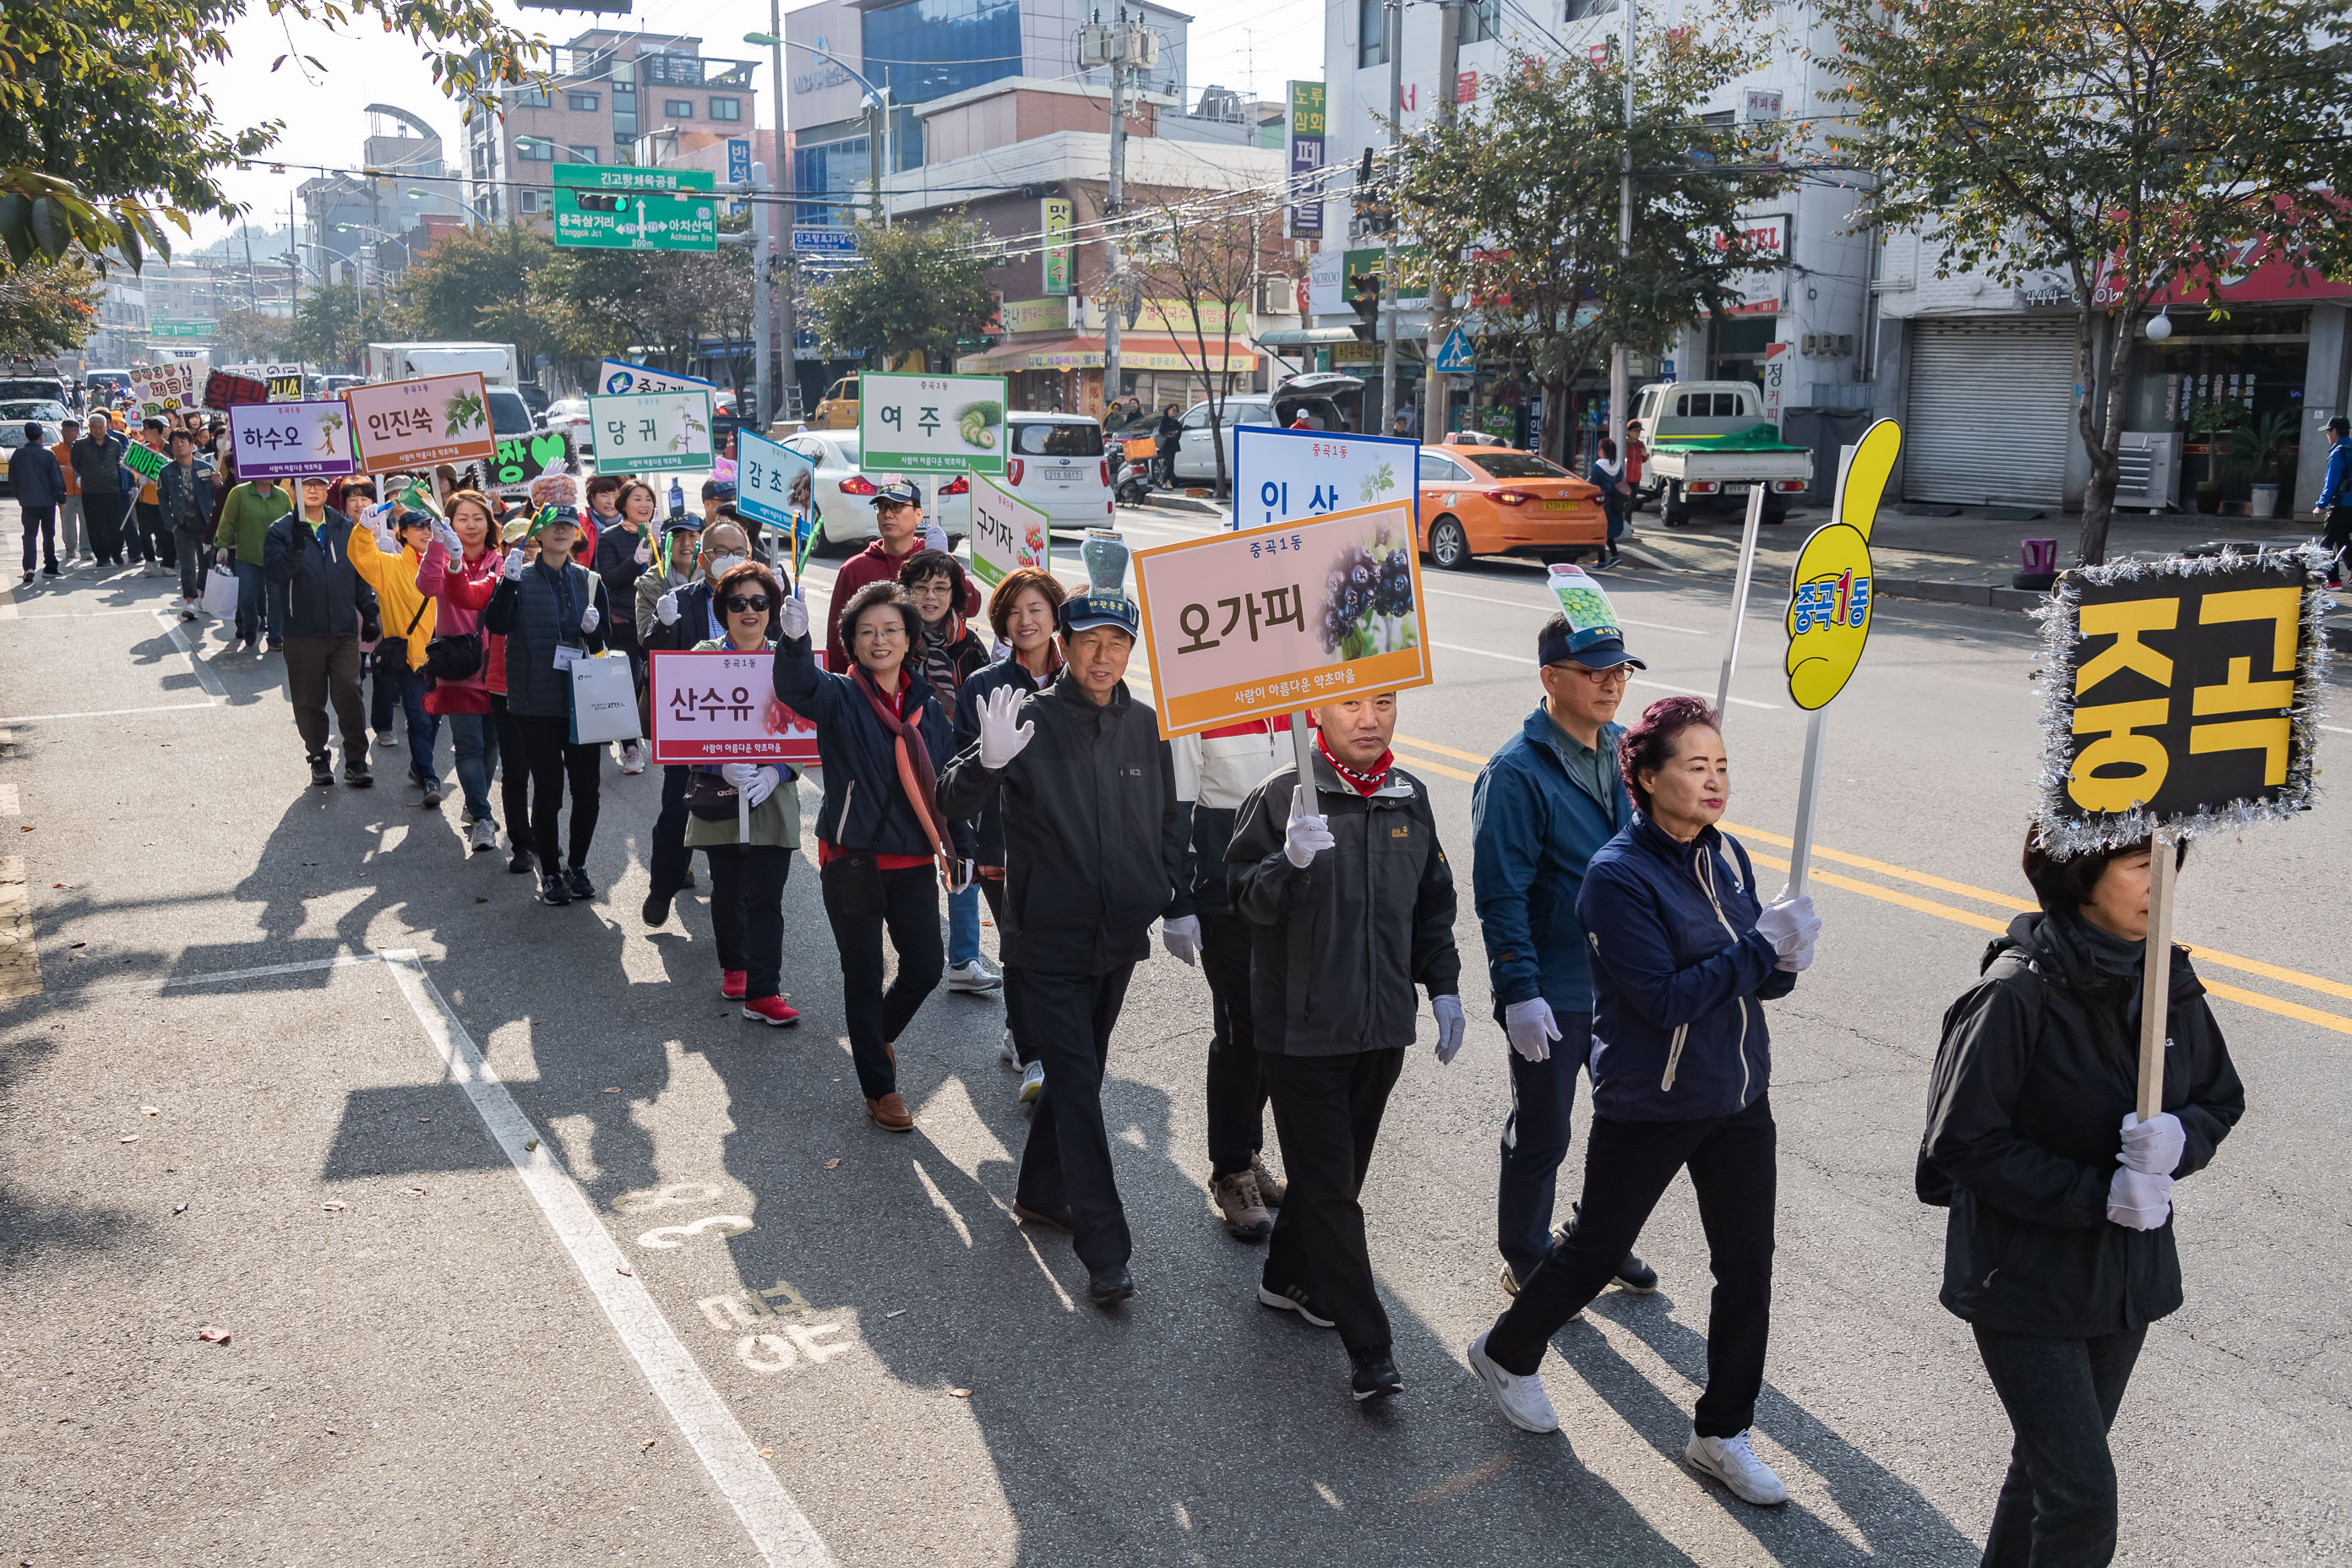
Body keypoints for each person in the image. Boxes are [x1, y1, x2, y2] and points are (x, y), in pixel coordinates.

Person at [1468, 697, 1820, 1506]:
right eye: (1695, 766)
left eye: (1722, 765)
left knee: (1746, 1266)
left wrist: (1787, 955)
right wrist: (1759, 949)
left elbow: (1754, 981)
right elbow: (1662, 999)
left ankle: (1722, 1430)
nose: (1714, 781)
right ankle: (1509, 1351)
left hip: (1736, 1093)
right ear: (1647, 775)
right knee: (1595, 1249)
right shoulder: (1615, 877)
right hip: (1653, 1097)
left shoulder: (1725, 855)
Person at [1920, 832, 2243, 1566]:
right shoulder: (2015, 992)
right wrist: (2099, 1192)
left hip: (2122, 1278)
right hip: (2025, 1282)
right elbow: (1962, 1142)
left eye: (2170, 863)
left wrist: (2179, 1141)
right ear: (2082, 872)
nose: (2162, 880)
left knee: (2044, 1475)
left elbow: (2221, 1096)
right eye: (2141, 864)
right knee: (2082, 1498)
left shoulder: (2166, 978)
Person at [938, 589, 1185, 1307]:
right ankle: (1105, 1249)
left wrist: (1171, 893)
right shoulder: (1029, 719)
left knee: (1083, 1075)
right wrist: (987, 761)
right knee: (1076, 1085)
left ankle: (1042, 1194)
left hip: (1117, 937)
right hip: (1044, 938)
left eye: (1118, 643)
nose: (1103, 656)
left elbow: (1170, 817)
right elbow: (953, 796)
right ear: (1064, 647)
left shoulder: (1145, 726)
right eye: (1089, 641)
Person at [1224, 692, 1463, 1399]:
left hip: (1381, 1024)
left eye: (1383, 702)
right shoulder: (1280, 797)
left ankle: (1286, 1279)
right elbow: (1242, 902)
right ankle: (1371, 1349)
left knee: (1340, 1177)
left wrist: (1442, 985)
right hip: (1301, 1032)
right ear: (1315, 715)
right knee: (1332, 1192)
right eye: (1350, 703)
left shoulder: (1406, 795)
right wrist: (1287, 863)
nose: (1369, 717)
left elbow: (1432, 904)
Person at [1472, 605, 1662, 1300]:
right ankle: (1524, 1250)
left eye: (1620, 671)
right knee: (1545, 1131)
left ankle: (1596, 1241)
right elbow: (1502, 894)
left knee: (1630, 1129)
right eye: (1594, 672)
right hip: (1552, 986)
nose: (1612, 685)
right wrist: (1519, 990)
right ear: (1551, 678)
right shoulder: (1516, 773)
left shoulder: (1628, 751)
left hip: (1626, 983)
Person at [774, 580, 961, 1131]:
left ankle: (873, 1038)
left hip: (912, 862)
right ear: (852, 643)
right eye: (867, 632)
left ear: (909, 640)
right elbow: (795, 685)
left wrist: (964, 845)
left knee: (926, 965)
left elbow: (947, 783)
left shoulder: (926, 703)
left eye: (891, 630)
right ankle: (880, 1087)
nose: (880, 640)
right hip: (851, 858)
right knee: (863, 971)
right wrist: (793, 640)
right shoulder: (838, 694)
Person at [1169, 713, 1289, 1239]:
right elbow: (1174, 810)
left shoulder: (1305, 692)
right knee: (1243, 1030)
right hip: (1225, 895)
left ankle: (1248, 1148)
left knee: (1279, 1028)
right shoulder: (1202, 695)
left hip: (1293, 888)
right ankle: (1230, 1170)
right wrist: (1177, 900)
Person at [950, 566, 1068, 1101]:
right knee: (1019, 945)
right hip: (1005, 843)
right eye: (1014, 612)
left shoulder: (1079, 678)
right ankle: (1035, 1056)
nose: (1026, 621)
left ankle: (1027, 1035)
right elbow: (960, 777)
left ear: (1055, 616)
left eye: (1036, 610)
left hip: (1071, 842)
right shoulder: (984, 683)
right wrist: (964, 848)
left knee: (1057, 943)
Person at [687, 560, 804, 1027]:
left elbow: (806, 726)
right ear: (724, 610)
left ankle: (764, 990)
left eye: (760, 601)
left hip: (771, 797)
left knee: (767, 896)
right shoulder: (701, 655)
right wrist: (718, 764)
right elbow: (683, 725)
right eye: (739, 603)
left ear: (773, 608)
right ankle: (734, 965)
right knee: (729, 887)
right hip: (721, 794)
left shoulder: (789, 660)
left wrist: (777, 770)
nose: (750, 611)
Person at [485, 507, 613, 906]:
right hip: (533, 701)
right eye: (553, 525)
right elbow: (497, 624)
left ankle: (577, 865)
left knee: (587, 791)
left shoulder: (591, 582)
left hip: (583, 702)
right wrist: (505, 585)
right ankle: (552, 873)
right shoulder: (518, 577)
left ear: (578, 532)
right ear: (538, 533)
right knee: (548, 791)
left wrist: (593, 636)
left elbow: (604, 646)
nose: (561, 531)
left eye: (569, 525)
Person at [640, 515, 751, 927]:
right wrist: (664, 625)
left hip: (747, 724)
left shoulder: (762, 597)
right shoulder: (681, 598)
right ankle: (661, 890)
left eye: (738, 552)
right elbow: (652, 654)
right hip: (692, 722)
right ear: (702, 558)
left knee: (745, 817)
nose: (729, 559)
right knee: (678, 812)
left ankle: (738, 912)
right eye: (720, 552)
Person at [899, 547, 997, 997]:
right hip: (903, 756)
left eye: (941, 587)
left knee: (963, 852)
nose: (930, 596)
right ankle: (915, 955)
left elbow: (981, 707)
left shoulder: (969, 644)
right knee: (910, 858)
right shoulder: (894, 636)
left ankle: (963, 959)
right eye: (921, 587)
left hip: (956, 760)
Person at [264, 475, 377, 788]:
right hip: (302, 630)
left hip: (342, 630)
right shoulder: (280, 530)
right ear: (293, 490)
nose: (312, 489)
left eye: (318, 483)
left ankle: (355, 760)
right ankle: (317, 756)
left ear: (328, 489)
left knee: (349, 693)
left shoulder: (345, 527)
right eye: (304, 484)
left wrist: (368, 610)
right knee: (309, 699)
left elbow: (360, 573)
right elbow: (274, 574)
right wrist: (295, 549)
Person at [415, 490, 508, 852]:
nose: (470, 525)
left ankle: (474, 803)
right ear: (450, 524)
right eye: (462, 519)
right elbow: (426, 586)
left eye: (478, 518)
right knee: (468, 745)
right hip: (458, 665)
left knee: (492, 744)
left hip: (498, 666)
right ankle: (483, 818)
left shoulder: (501, 561)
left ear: (489, 523)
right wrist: (440, 546)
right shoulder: (439, 558)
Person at [822, 480, 978, 671]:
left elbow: (972, 606)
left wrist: (945, 560)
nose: (888, 514)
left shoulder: (937, 559)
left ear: (919, 514)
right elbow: (838, 638)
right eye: (882, 508)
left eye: (897, 507)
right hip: (871, 682)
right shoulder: (854, 569)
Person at [350, 504, 446, 806]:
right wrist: (364, 530)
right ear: (401, 533)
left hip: (446, 655)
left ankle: (419, 767)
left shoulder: (446, 561)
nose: (425, 533)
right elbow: (363, 557)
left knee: (434, 721)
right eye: (418, 527)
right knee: (419, 718)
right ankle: (429, 776)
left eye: (429, 527)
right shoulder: (390, 566)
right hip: (411, 657)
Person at [591, 477, 656, 774]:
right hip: (623, 622)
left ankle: (656, 736)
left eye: (648, 499)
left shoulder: (660, 537)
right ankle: (630, 748)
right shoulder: (609, 537)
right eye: (637, 499)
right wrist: (634, 561)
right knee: (625, 686)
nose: (644, 505)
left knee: (653, 684)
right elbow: (609, 579)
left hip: (655, 621)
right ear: (624, 505)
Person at [215, 470, 293, 652]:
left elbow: (291, 524)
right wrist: (223, 546)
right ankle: (250, 625)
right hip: (247, 556)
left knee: (276, 599)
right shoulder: (239, 493)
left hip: (275, 558)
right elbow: (227, 521)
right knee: (246, 597)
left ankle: (275, 637)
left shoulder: (282, 496)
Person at [158, 429, 216, 618]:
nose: (179, 444)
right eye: (175, 442)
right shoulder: (166, 471)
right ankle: (190, 602)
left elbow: (216, 497)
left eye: (183, 441)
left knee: (207, 562)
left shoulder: (205, 467)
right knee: (188, 565)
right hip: (182, 525)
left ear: (192, 444)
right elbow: (163, 501)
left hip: (205, 524)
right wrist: (171, 525)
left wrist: (219, 484)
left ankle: (204, 596)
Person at [69, 411, 131, 567]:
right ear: (89, 427)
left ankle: (116, 553)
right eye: (94, 427)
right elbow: (76, 463)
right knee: (94, 525)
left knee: (116, 524)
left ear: (107, 426)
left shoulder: (116, 444)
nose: (98, 430)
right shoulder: (81, 445)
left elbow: (119, 464)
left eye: (101, 427)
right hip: (91, 490)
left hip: (112, 489)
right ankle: (102, 557)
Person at [10, 422, 64, 582]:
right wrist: (61, 499)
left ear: (26, 436)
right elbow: (56, 479)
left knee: (29, 535)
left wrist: (20, 496)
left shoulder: (18, 455)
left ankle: (29, 567)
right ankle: (50, 566)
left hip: (28, 502)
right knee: (48, 535)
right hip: (47, 502)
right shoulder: (48, 455)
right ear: (42, 436)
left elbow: (13, 480)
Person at [129, 416, 172, 574]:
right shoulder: (141, 449)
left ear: (155, 431)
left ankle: (168, 563)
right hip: (146, 499)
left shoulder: (170, 449)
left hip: (166, 499)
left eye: (145, 429)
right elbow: (134, 473)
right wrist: (139, 479)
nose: (143, 432)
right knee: (145, 531)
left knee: (166, 532)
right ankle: (150, 561)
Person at [1587, 436, 1631, 569]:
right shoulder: (1617, 467)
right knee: (1608, 533)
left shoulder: (1597, 467)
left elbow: (1592, 486)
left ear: (1601, 450)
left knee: (1601, 533)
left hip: (1601, 504)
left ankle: (1602, 561)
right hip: (1615, 504)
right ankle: (1614, 556)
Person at [2317, 413, 2350, 586]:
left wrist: (2320, 505)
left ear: (2335, 431)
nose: (2327, 435)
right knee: (2343, 537)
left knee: (2327, 543)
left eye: (2328, 431)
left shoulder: (2338, 453)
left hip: (2340, 504)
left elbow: (2331, 482)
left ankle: (2333, 581)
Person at [50, 417, 84, 564]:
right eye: (65, 431)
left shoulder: (84, 447)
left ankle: (86, 550)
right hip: (65, 494)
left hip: (84, 492)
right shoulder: (55, 450)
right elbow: (49, 470)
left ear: (77, 432)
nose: (67, 434)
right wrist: (58, 468)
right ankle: (70, 550)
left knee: (86, 522)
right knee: (67, 523)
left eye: (71, 431)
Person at [1152, 404, 1184, 487]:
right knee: (1169, 463)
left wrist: (1174, 433)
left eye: (1176, 410)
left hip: (1173, 445)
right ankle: (1167, 481)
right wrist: (1172, 432)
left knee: (1171, 463)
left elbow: (1179, 432)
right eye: (1173, 410)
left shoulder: (1176, 422)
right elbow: (1162, 431)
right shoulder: (1164, 421)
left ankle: (1166, 481)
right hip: (1165, 445)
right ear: (1168, 410)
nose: (1175, 412)